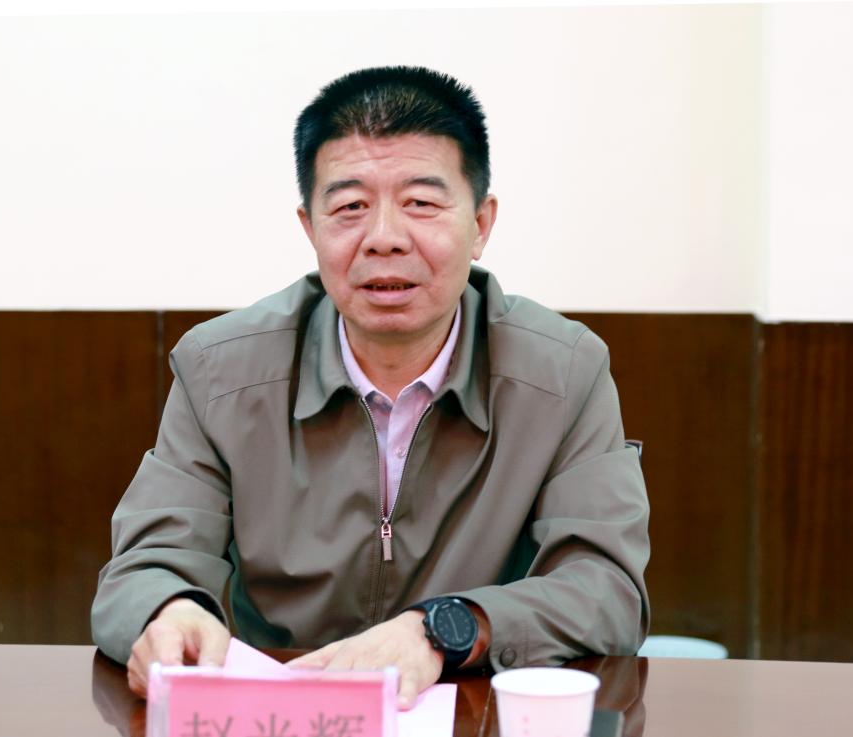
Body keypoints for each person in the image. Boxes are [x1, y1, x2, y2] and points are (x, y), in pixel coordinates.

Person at [91, 65, 650, 708]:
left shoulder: (563, 372)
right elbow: (145, 566)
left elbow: (607, 589)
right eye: (350, 207)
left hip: (472, 711)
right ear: (310, 228)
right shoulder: (221, 370)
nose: (384, 238)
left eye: (421, 203)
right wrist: (166, 611)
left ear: (481, 223)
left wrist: (445, 629)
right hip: (282, 714)